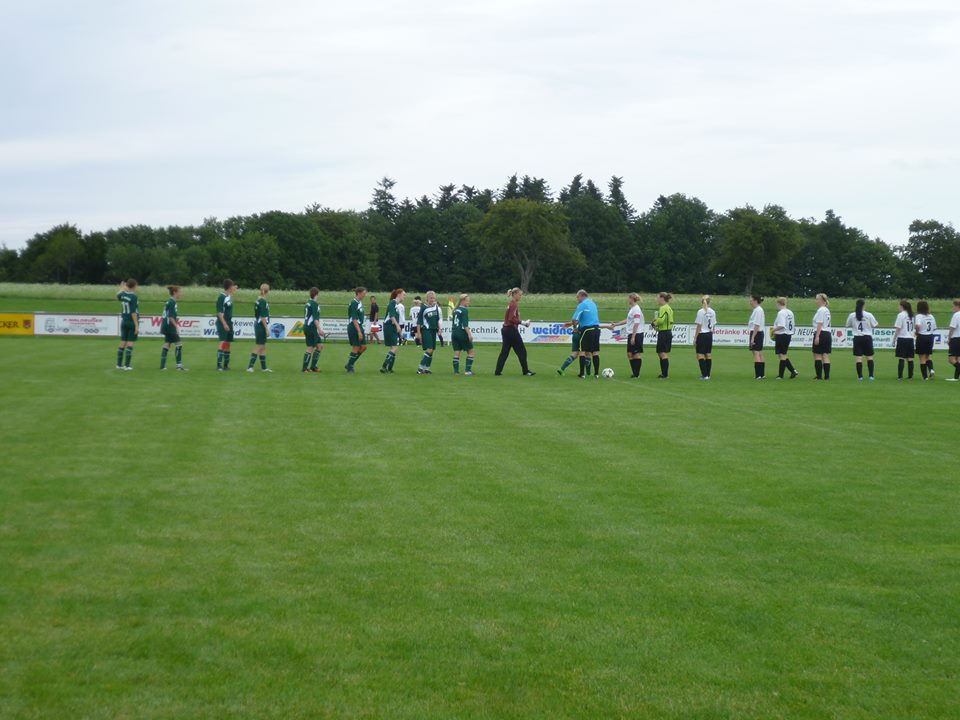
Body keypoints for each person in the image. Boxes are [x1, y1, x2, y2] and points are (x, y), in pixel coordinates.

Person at [494, 288, 534, 376]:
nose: (521, 296)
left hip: (505, 329)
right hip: (511, 330)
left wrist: (522, 323)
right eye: (520, 294)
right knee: (522, 351)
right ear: (515, 294)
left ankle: (497, 371)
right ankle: (525, 371)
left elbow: (512, 318)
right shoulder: (513, 305)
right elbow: (511, 318)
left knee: (504, 352)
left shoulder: (511, 304)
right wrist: (523, 323)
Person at [606, 293, 644, 378]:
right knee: (630, 354)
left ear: (632, 299)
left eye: (628, 298)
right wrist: (616, 324)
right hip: (632, 333)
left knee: (636, 354)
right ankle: (635, 373)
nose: (627, 300)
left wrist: (633, 336)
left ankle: (636, 374)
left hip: (637, 333)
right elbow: (628, 320)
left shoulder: (636, 309)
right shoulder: (632, 309)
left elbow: (636, 323)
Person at [845, 299, 878, 381]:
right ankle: (871, 376)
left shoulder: (852, 315)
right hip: (867, 337)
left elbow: (847, 325)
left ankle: (860, 377)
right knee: (869, 357)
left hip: (857, 338)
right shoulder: (869, 315)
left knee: (859, 358)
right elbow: (875, 325)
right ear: (864, 305)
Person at [573, 290, 601, 378]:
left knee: (582, 351)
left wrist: (575, 328)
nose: (577, 299)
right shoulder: (593, 304)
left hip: (587, 330)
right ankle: (596, 374)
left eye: (577, 297)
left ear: (581, 296)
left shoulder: (582, 305)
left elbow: (574, 319)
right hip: (596, 329)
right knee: (595, 352)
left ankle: (582, 373)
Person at [160, 285, 186, 371]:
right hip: (169, 326)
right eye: (180, 292)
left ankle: (162, 366)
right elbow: (171, 317)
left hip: (165, 326)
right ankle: (179, 366)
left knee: (167, 344)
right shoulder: (172, 302)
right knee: (179, 344)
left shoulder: (169, 301)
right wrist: (176, 327)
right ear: (175, 293)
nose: (181, 294)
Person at [416, 290, 442, 374]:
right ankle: (420, 368)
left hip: (433, 330)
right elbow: (419, 321)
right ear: (427, 298)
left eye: (434, 298)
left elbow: (439, 319)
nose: (432, 299)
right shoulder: (423, 307)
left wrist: (440, 328)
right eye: (431, 298)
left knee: (432, 350)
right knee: (430, 349)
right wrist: (419, 333)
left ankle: (427, 369)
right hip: (426, 330)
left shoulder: (436, 307)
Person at [380, 288, 406, 373]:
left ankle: (390, 368)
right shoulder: (393, 302)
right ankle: (384, 366)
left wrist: (400, 331)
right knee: (394, 348)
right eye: (403, 294)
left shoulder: (397, 305)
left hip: (393, 327)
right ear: (398, 294)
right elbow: (391, 316)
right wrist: (397, 326)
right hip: (389, 326)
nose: (404, 296)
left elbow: (397, 319)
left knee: (394, 348)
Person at [248, 283, 273, 373]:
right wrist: (266, 328)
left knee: (263, 347)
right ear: (267, 291)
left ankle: (264, 368)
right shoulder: (263, 301)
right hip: (261, 326)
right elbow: (263, 317)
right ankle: (250, 367)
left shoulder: (259, 300)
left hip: (259, 325)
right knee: (259, 346)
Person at [772, 297, 798, 379]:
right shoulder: (790, 312)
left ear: (779, 303)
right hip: (788, 335)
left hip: (782, 334)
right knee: (782, 354)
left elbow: (781, 325)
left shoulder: (781, 313)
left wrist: (773, 330)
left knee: (782, 355)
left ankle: (781, 375)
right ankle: (793, 371)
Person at [115, 279, 139, 370]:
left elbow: (117, 295)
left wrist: (121, 288)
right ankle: (127, 365)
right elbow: (133, 312)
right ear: (134, 286)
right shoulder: (134, 297)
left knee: (122, 342)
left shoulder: (123, 294)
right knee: (130, 343)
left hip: (124, 321)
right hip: (131, 321)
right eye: (136, 285)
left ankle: (119, 365)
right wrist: (136, 324)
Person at [302, 287, 326, 373]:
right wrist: (320, 329)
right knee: (310, 348)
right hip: (311, 328)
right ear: (316, 294)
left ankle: (313, 367)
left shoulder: (308, 303)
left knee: (320, 346)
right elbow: (315, 319)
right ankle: (305, 368)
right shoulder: (314, 304)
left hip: (309, 327)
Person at [216, 279, 238, 371]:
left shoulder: (228, 296)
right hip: (223, 323)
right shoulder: (221, 297)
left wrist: (233, 290)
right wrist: (224, 324)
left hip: (229, 322)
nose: (234, 288)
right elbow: (219, 313)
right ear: (229, 287)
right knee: (223, 342)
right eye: (232, 286)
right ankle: (219, 366)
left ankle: (226, 365)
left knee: (228, 343)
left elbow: (230, 297)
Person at [451, 294, 475, 375]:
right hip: (461, 333)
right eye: (467, 301)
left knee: (457, 352)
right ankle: (467, 371)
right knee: (471, 351)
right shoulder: (464, 310)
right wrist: (469, 334)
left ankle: (456, 372)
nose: (469, 302)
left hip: (454, 333)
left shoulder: (456, 310)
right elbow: (465, 325)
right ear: (463, 301)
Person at [652, 292, 674, 379]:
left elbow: (661, 320)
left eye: (658, 298)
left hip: (664, 332)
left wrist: (654, 322)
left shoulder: (663, 308)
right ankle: (663, 373)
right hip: (668, 331)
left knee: (662, 353)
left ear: (662, 298)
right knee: (661, 352)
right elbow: (670, 320)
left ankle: (665, 374)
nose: (657, 300)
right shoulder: (669, 308)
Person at [693, 295, 715, 380]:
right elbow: (714, 324)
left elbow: (699, 326)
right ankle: (708, 374)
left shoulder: (700, 311)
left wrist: (695, 338)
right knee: (708, 354)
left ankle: (704, 375)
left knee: (700, 354)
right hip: (709, 334)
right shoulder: (713, 312)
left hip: (702, 334)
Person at [892, 299, 916, 380]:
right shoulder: (911, 315)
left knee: (901, 357)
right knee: (910, 358)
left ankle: (900, 376)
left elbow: (898, 328)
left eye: (899, 305)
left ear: (902, 306)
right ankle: (910, 376)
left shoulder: (901, 315)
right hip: (910, 338)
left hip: (902, 338)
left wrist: (894, 339)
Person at [345, 287, 367, 373]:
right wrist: (358, 331)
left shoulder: (359, 303)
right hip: (354, 326)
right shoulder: (354, 303)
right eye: (363, 293)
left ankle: (349, 363)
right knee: (356, 346)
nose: (365, 295)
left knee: (364, 347)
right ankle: (350, 366)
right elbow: (354, 318)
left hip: (359, 326)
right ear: (358, 293)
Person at [914, 300, 937, 380]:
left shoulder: (919, 316)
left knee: (922, 358)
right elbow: (934, 328)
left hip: (922, 337)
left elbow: (917, 326)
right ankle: (931, 369)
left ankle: (925, 377)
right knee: (928, 356)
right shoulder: (931, 316)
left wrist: (917, 332)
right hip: (930, 337)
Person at [811, 293, 832, 380]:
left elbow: (820, 323)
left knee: (817, 355)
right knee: (825, 355)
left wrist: (817, 336)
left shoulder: (821, 310)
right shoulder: (827, 310)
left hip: (821, 333)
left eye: (817, 299)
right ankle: (826, 376)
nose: (816, 301)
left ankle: (819, 376)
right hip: (827, 333)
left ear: (822, 300)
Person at [748, 294, 766, 379]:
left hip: (757, 333)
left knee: (756, 353)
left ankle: (758, 374)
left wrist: (752, 337)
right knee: (759, 353)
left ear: (755, 300)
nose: (750, 302)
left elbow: (756, 325)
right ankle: (761, 374)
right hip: (758, 333)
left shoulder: (758, 310)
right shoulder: (758, 310)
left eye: (751, 300)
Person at [947, 299, 960, 382]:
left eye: (953, 306)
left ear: (957, 306)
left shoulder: (956, 315)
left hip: (956, 338)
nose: (952, 308)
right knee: (958, 359)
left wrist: (949, 337)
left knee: (951, 359)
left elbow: (952, 327)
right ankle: (956, 377)